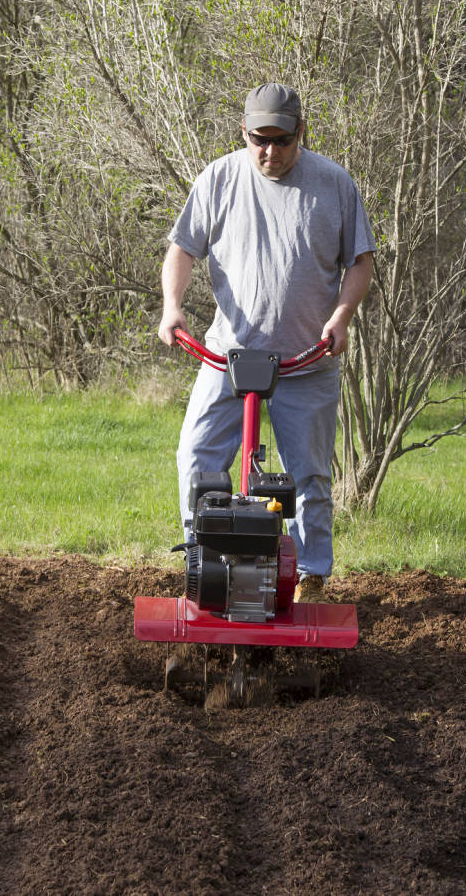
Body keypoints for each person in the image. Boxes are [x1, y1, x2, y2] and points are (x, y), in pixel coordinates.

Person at [158, 83, 376, 602]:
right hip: (227, 357)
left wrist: (342, 317)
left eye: (282, 140)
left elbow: (361, 261)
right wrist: (172, 306)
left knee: (310, 476)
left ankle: (310, 577)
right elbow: (182, 250)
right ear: (244, 133)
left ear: (301, 132)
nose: (270, 152)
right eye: (260, 140)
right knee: (196, 456)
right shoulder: (218, 179)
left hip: (306, 360)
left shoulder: (334, 184)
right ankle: (202, 560)